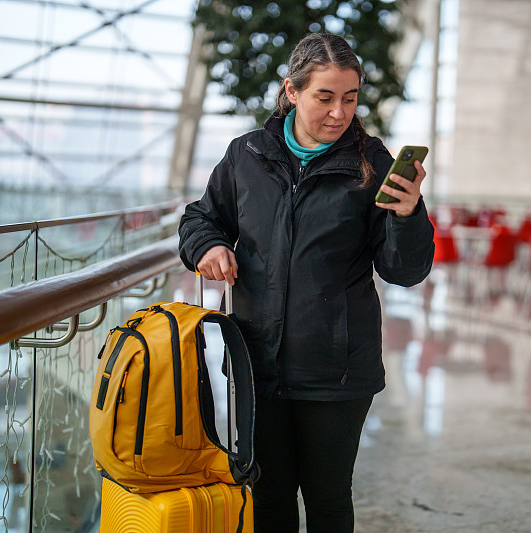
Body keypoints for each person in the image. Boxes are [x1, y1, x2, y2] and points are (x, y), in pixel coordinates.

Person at [178, 32, 435, 533]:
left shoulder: (372, 164)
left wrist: (408, 214)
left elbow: (404, 271)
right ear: (291, 92)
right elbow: (199, 218)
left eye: (350, 97)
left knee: (328, 503)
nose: (339, 113)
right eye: (325, 97)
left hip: (337, 370)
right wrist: (208, 247)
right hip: (257, 364)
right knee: (268, 502)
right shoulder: (246, 155)